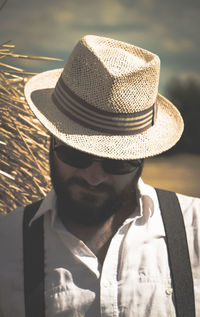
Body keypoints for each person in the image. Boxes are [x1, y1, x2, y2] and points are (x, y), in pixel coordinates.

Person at [0, 35, 199, 317]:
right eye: (76, 155)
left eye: (117, 163)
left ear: (142, 157)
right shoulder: (5, 245)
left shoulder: (195, 228)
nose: (94, 177)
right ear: (51, 139)